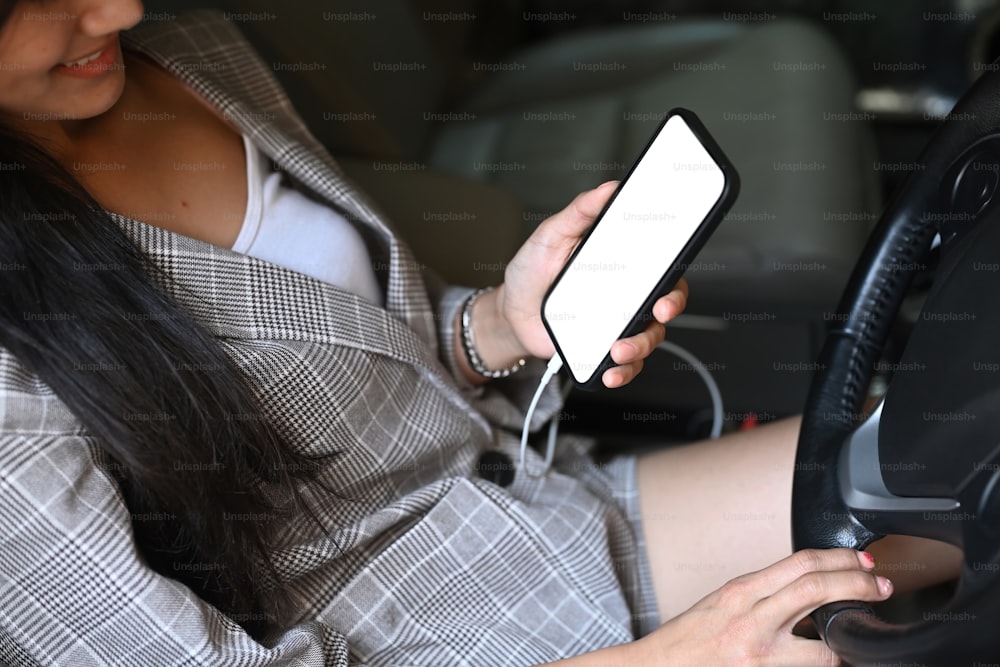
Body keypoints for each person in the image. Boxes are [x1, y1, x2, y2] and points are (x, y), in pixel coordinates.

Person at [0, 1, 961, 665]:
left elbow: (353, 347)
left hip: (527, 512)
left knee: (963, 452)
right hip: (431, 637)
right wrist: (678, 654)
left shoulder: (184, 59)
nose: (117, 12)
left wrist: (496, 323)